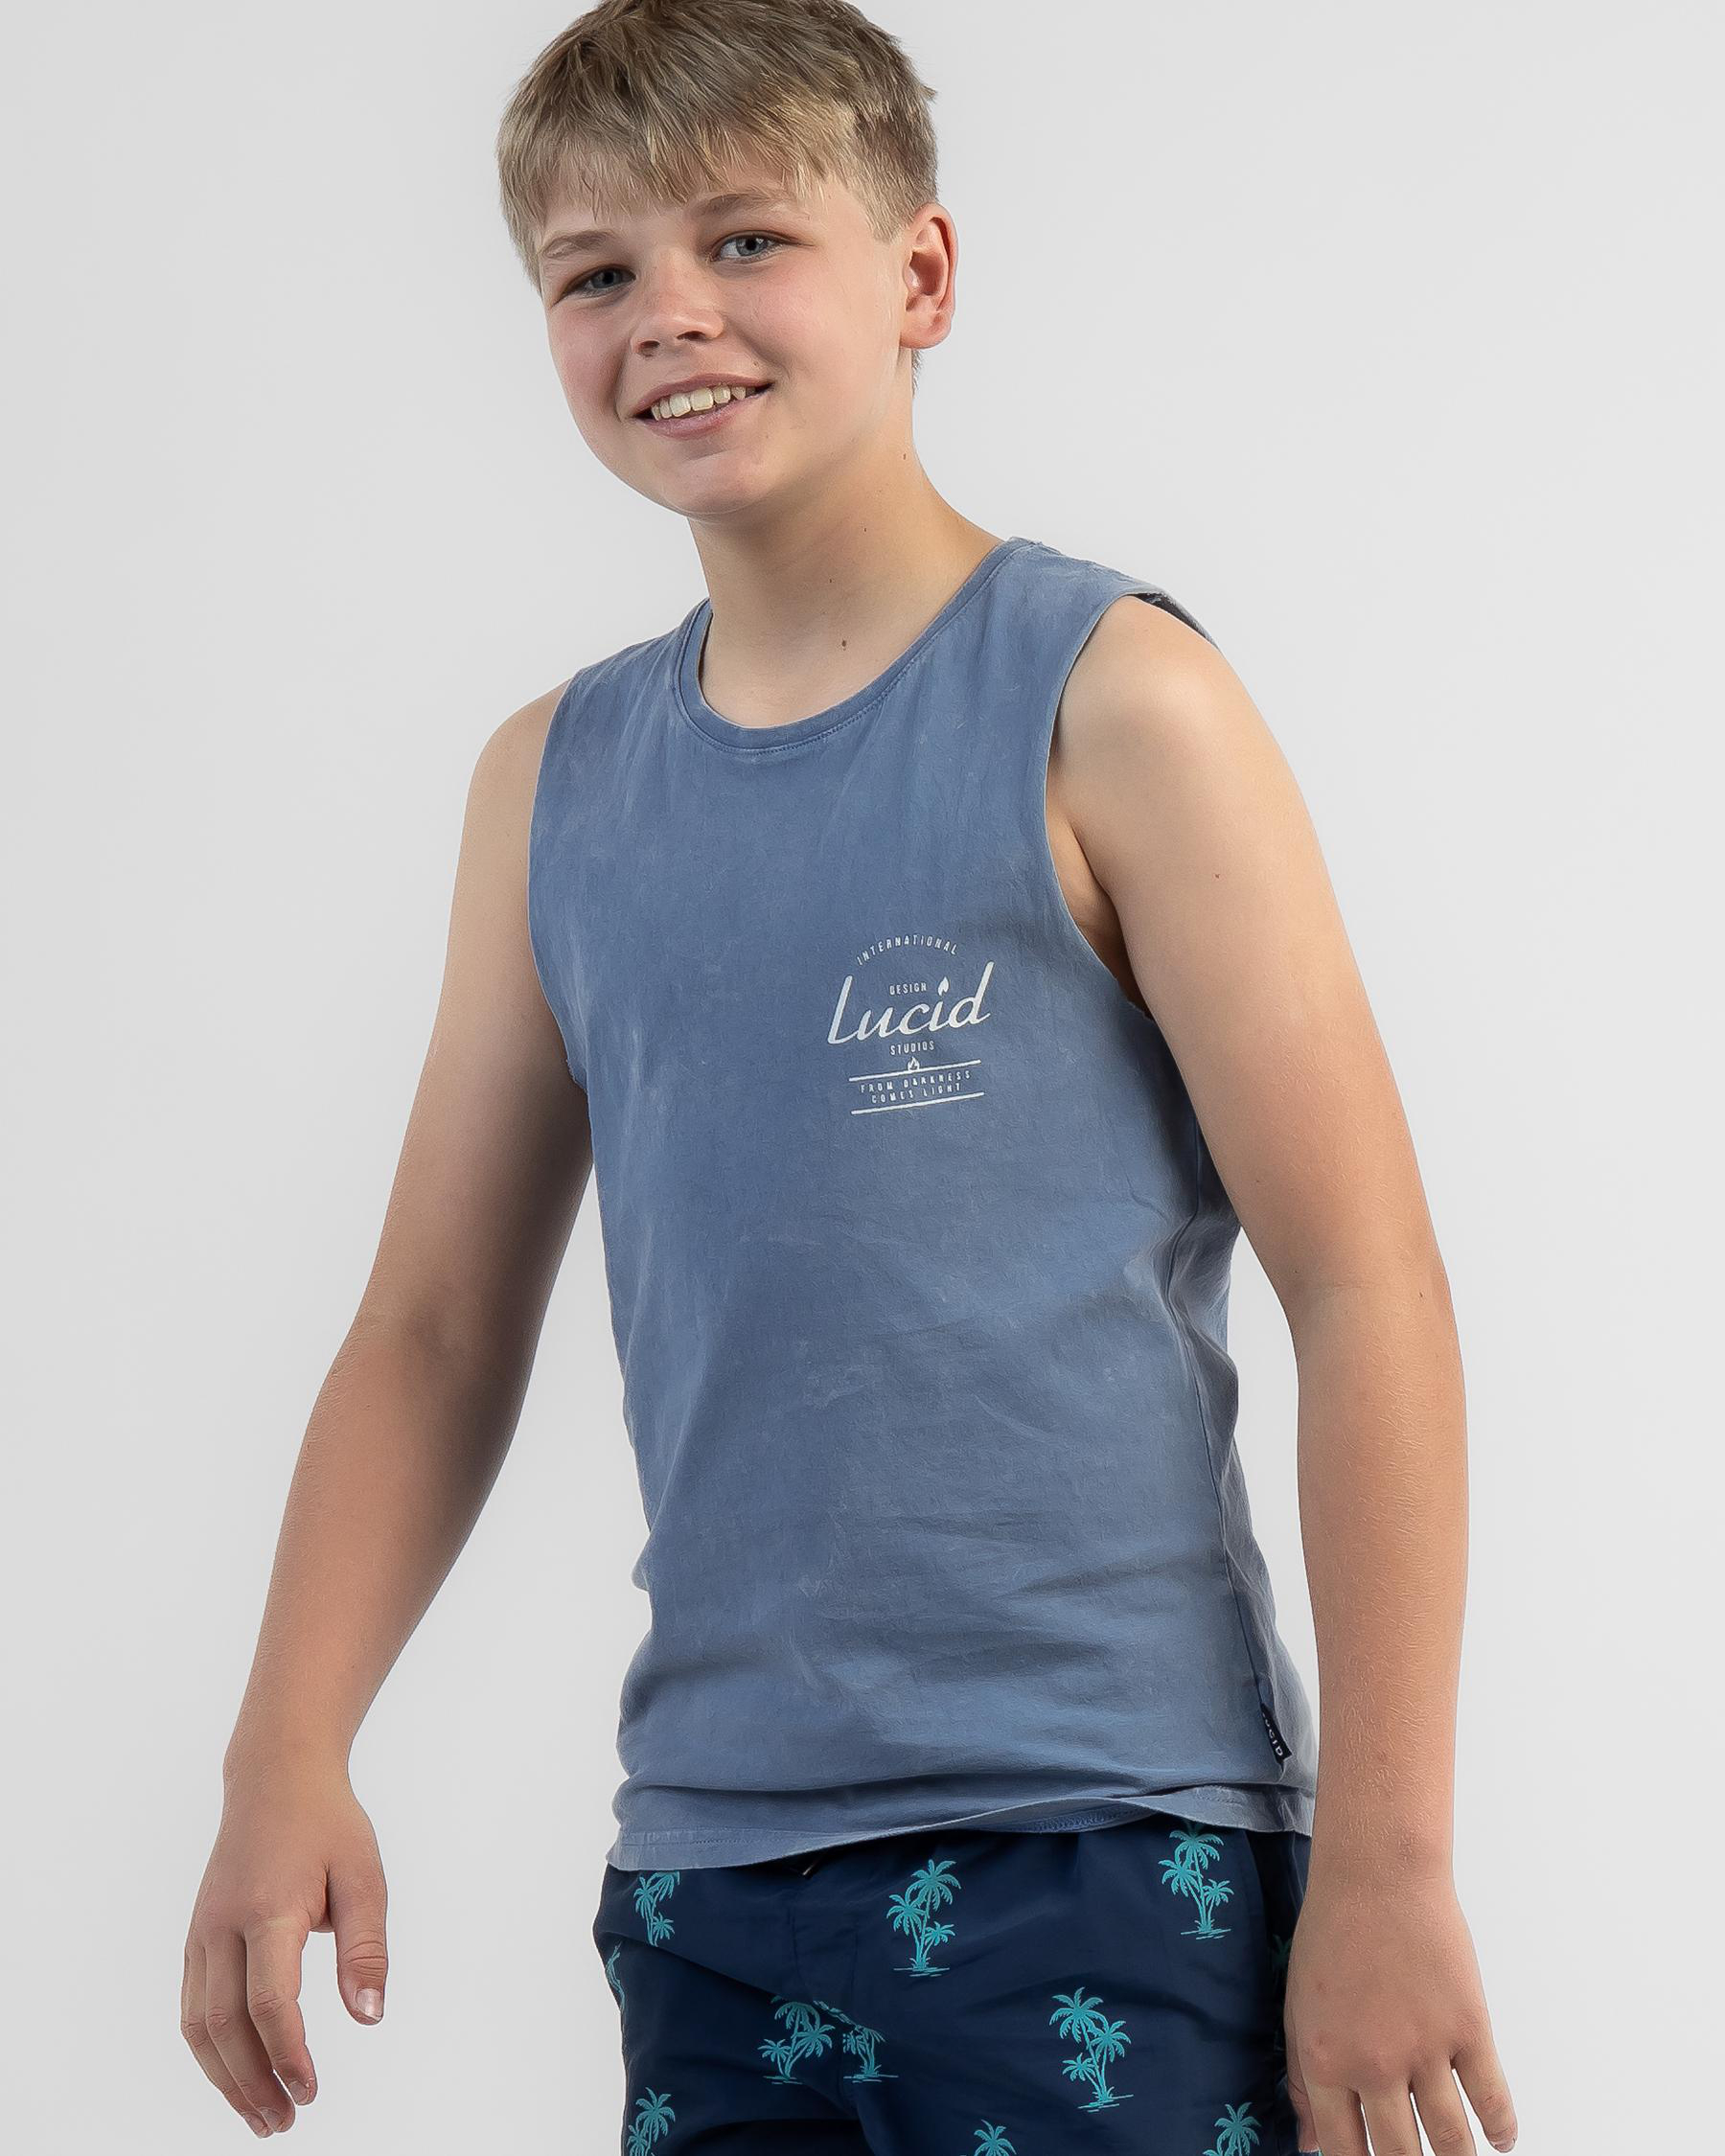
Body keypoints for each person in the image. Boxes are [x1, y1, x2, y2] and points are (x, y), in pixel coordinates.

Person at [181, 2, 1520, 2151]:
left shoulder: (1112, 704)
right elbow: (431, 1329)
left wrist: (1389, 1861)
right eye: (595, 271)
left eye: (745, 240)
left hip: (1107, 1859)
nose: (669, 314)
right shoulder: (550, 787)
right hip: (709, 1891)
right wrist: (285, 1750)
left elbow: (1366, 1285)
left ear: (921, 275)